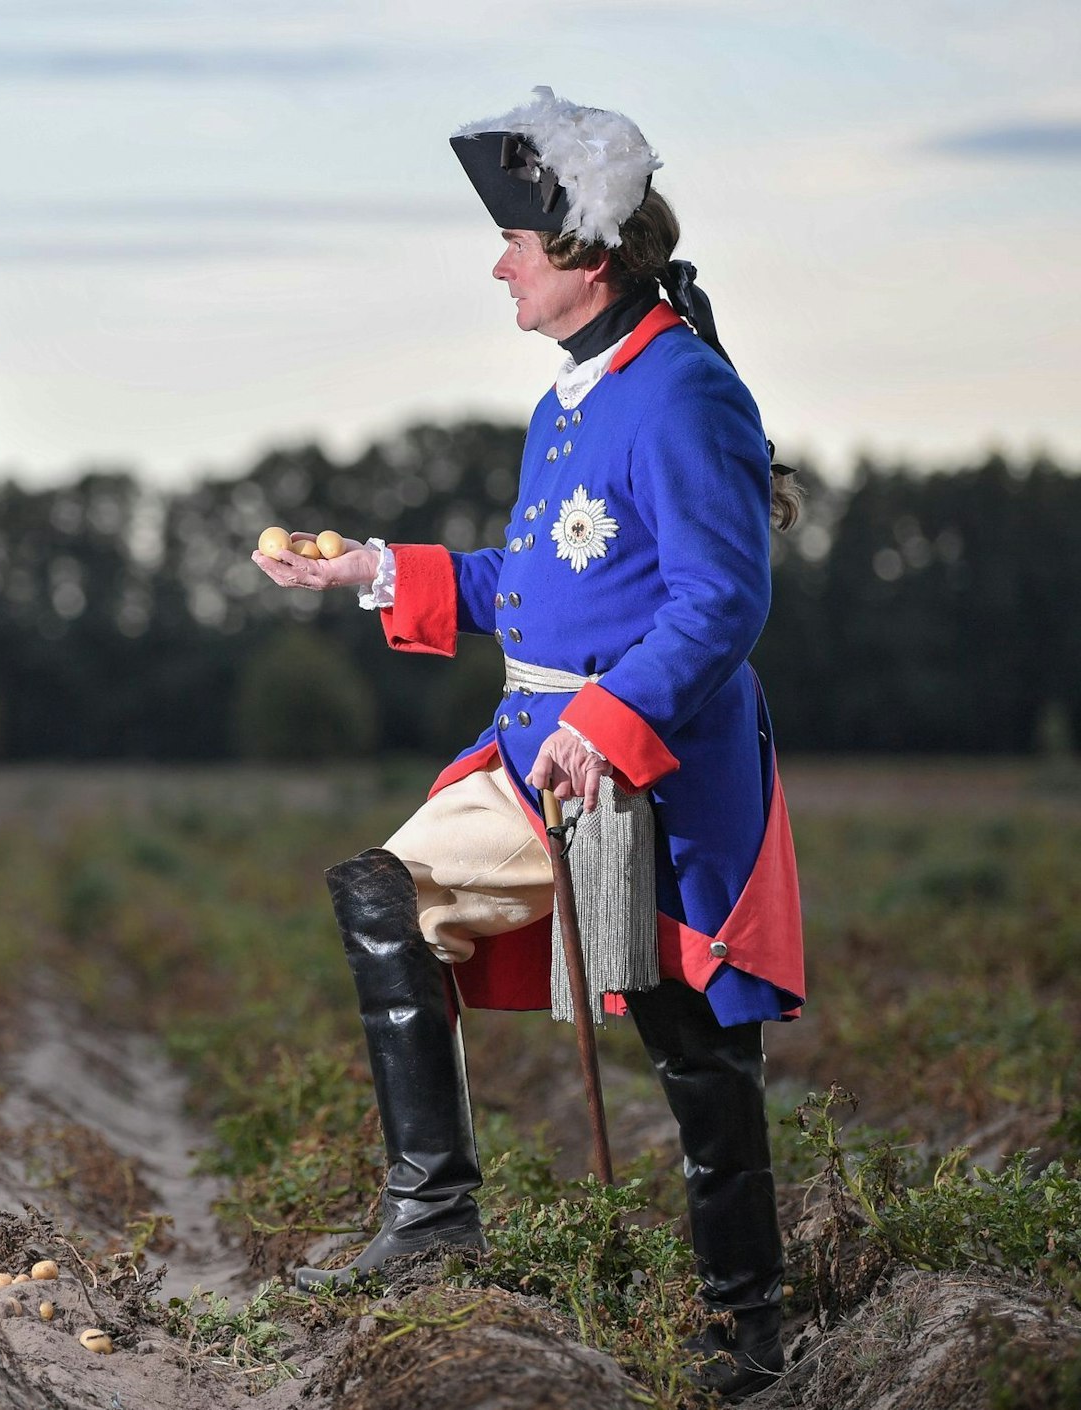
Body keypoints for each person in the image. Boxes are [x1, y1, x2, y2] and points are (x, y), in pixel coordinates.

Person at [254, 87, 803, 1399]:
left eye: (513, 242)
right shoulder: (570, 396)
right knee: (387, 894)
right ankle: (432, 1217)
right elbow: (545, 585)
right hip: (534, 751)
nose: (497, 265)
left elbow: (720, 600)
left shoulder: (682, 390)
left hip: (658, 769)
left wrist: (609, 727)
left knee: (696, 1046)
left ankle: (747, 1334)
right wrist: (375, 569)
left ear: (584, 255)